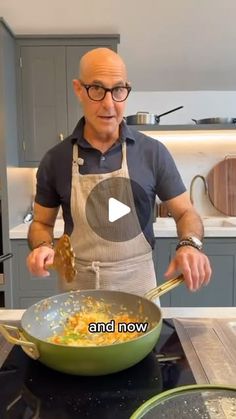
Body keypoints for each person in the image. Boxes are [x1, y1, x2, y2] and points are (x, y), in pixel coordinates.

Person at [26, 47, 211, 297]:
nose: (109, 104)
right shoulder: (55, 159)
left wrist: (190, 244)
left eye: (118, 90)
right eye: (97, 89)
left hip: (138, 292)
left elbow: (186, 212)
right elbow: (41, 223)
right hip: (78, 294)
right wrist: (41, 246)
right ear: (79, 89)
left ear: (126, 90)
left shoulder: (152, 153)